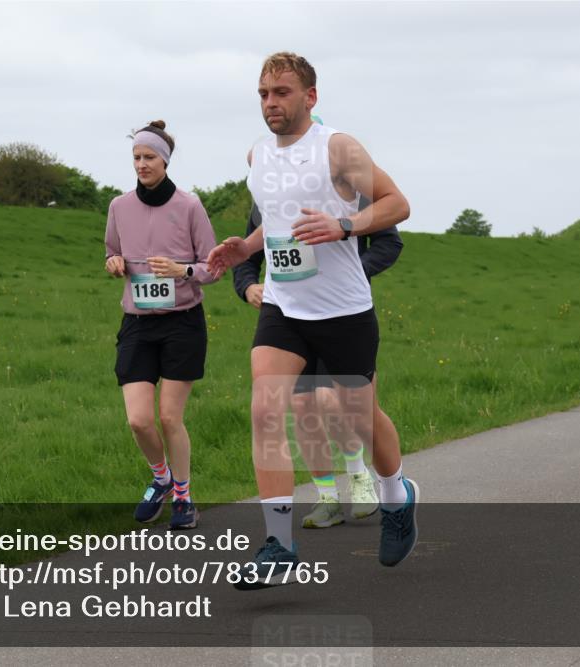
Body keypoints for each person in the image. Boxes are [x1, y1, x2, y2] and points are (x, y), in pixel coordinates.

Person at [208, 52, 417, 588]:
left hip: (345, 310)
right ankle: (279, 542)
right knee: (264, 409)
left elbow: (397, 204)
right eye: (263, 94)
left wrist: (345, 225)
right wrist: (244, 249)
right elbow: (276, 222)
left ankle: (397, 496)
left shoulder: (338, 148)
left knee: (361, 419)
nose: (270, 103)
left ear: (310, 97)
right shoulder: (258, 155)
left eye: (281, 92)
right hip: (285, 306)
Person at [232, 195, 403, 528]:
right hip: (288, 314)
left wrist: (353, 272)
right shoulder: (267, 198)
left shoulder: (345, 185)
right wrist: (247, 286)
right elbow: (249, 254)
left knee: (341, 402)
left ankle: (360, 477)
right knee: (302, 405)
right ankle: (326, 498)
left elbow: (389, 241)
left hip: (339, 311)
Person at [105, 120, 218, 530]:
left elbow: (213, 266)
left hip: (182, 323)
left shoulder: (189, 206)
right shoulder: (119, 207)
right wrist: (113, 263)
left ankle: (185, 498)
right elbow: (111, 251)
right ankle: (161, 479)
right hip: (137, 324)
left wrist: (182, 269)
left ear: (165, 160)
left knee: (170, 417)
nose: (141, 164)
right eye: (136, 157)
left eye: (149, 157)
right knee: (138, 419)